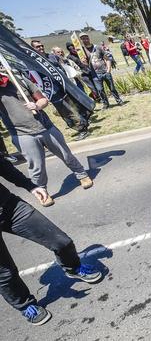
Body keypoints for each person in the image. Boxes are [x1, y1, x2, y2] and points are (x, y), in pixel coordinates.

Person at [0, 157, 103, 326]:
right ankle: (26, 305)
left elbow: (3, 166)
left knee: (62, 242)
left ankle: (73, 268)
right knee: (5, 273)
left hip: (10, 207)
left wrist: (31, 186)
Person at [0, 69, 93, 207]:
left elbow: (43, 99)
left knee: (65, 154)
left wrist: (37, 105)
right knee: (36, 167)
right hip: (21, 134)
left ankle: (81, 175)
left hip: (46, 127)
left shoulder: (19, 80)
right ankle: (41, 191)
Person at [30, 42, 92, 141]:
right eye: (38, 46)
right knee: (65, 112)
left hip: (63, 87)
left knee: (72, 109)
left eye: (42, 45)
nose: (41, 47)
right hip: (52, 91)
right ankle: (81, 126)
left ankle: (83, 129)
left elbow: (63, 68)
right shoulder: (32, 61)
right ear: (32, 48)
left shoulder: (52, 57)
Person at [80, 33, 124, 109]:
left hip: (105, 71)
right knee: (100, 90)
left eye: (86, 37)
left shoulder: (98, 47)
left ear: (89, 38)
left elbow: (107, 58)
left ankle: (119, 100)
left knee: (112, 88)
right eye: (83, 38)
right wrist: (83, 62)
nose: (85, 39)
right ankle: (106, 104)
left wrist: (108, 70)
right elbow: (85, 65)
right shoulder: (82, 51)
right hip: (95, 75)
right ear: (81, 40)